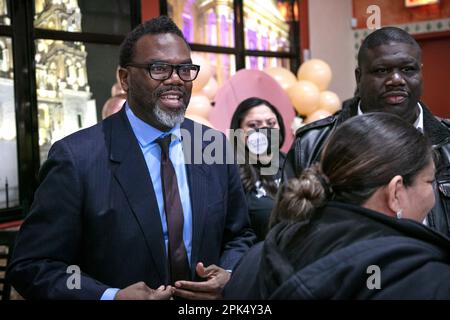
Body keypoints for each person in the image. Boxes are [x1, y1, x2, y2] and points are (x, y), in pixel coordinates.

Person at [7, 16, 255, 300]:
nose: (176, 79)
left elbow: (239, 235)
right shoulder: (77, 158)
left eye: (185, 69)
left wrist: (230, 274)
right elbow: (35, 265)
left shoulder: (211, 145)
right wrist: (108, 296)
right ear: (125, 79)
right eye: (159, 68)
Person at [224, 113, 450, 299]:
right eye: (429, 181)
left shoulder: (255, 259)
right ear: (396, 191)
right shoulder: (420, 279)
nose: (433, 194)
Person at [285, 26, 450, 236]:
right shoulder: (311, 144)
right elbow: (288, 232)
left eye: (408, 69)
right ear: (359, 77)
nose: (396, 80)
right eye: (382, 71)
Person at [229, 97, 293, 241]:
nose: (265, 129)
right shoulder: (231, 171)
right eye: (254, 125)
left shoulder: (293, 161)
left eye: (271, 123)